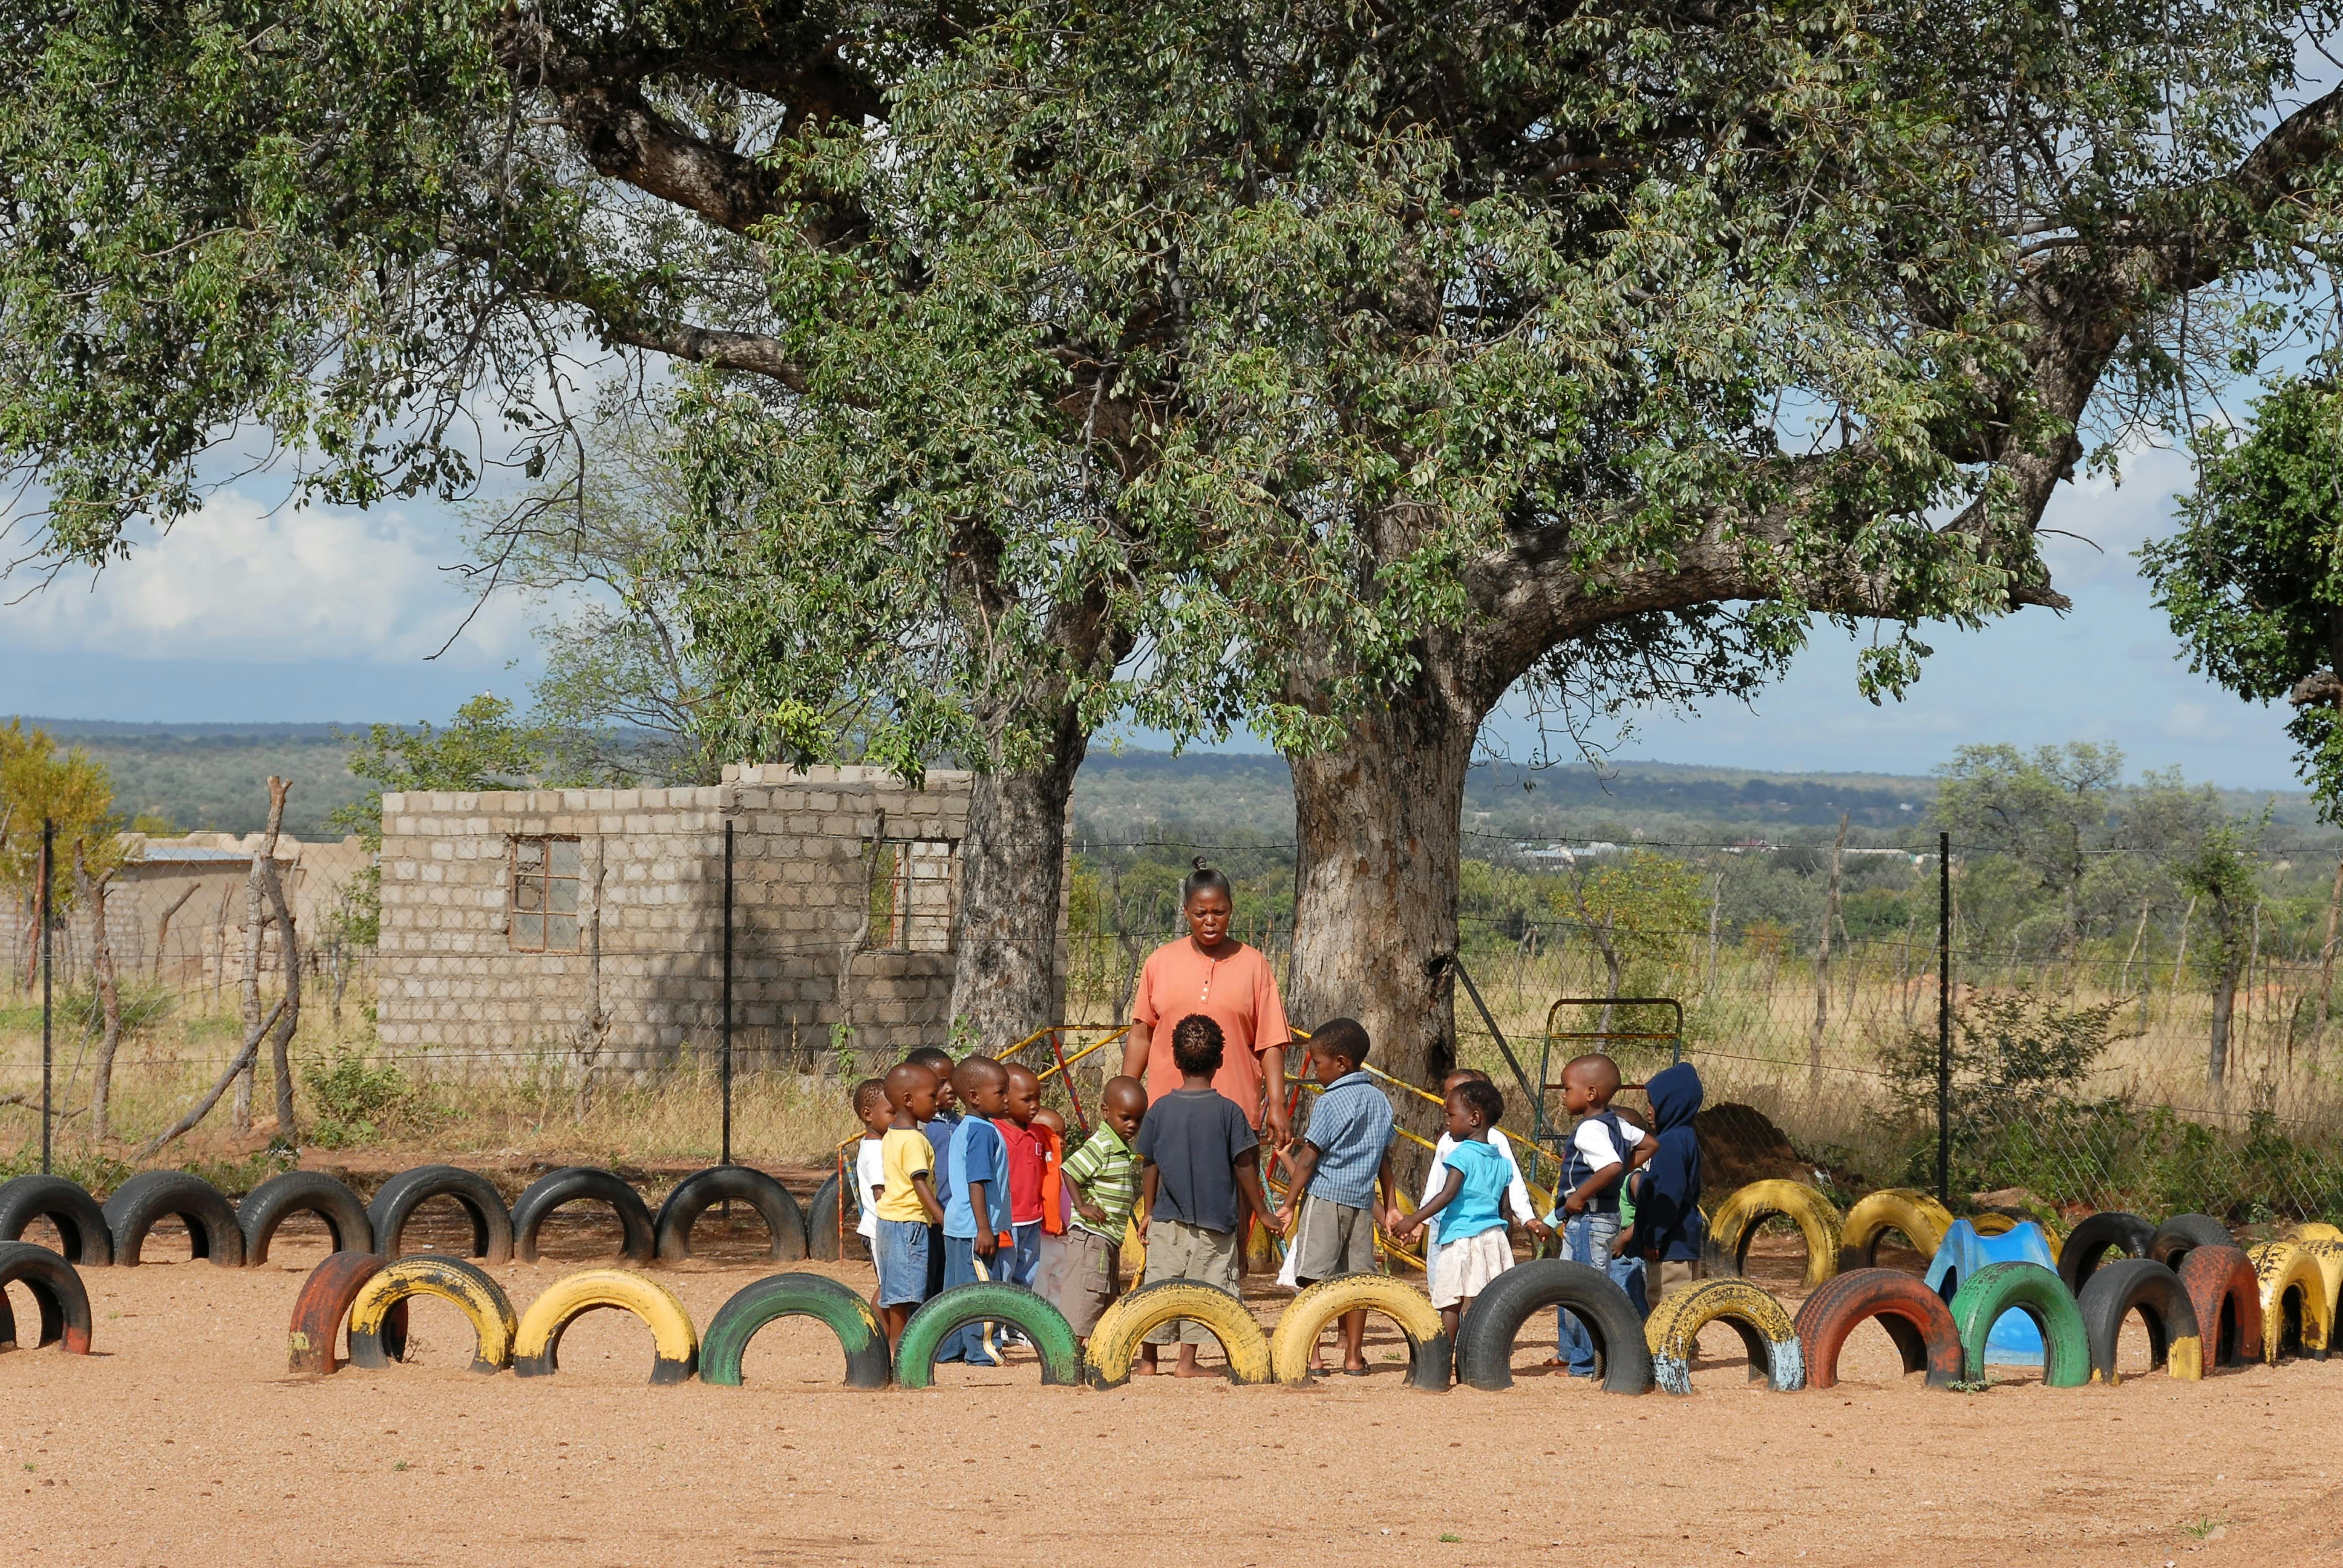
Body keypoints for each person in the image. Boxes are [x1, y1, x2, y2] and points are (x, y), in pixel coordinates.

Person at [1134, 1015, 1283, 1376]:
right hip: (1216, 1223)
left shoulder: (1159, 1110)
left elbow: (1150, 1164)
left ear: (1175, 1060)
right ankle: (1187, 1362)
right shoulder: (1230, 1113)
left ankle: (1149, 1362)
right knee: (1205, 1288)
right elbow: (1245, 1168)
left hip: (1167, 1220)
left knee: (1159, 1287)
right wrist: (1262, 1212)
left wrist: (1149, 1211)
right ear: (1221, 1061)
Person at [1120, 859, 1294, 1147]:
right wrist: (1124, 1094)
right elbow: (1141, 1036)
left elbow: (1271, 1043)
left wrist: (1277, 1103)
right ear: (1186, 911)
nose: (1210, 921)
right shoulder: (1159, 963)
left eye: (1219, 912)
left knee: (1234, 1179)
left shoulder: (1254, 965)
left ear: (1231, 910)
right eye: (1201, 913)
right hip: (1168, 1114)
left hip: (1235, 1115)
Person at [1275, 1018, 1397, 1376]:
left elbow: (1309, 1157)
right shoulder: (1380, 1100)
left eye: (1317, 1063)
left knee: (1313, 1276)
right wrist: (1390, 1207)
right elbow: (1384, 1159)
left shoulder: (1330, 1102)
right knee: (1358, 1280)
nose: (1315, 1071)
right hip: (1361, 1203)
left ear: (1341, 1063)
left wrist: (1289, 1203)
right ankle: (1354, 1357)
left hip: (1325, 1199)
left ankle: (1312, 1356)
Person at [1546, 1053, 1654, 1375]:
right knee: (1569, 1285)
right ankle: (1573, 1355)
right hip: (1597, 1220)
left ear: (1591, 1093)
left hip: (1589, 1221)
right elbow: (1650, 1145)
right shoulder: (1618, 1124)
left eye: (1567, 1089)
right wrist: (1615, 1178)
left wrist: (1582, 1194)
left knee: (1585, 1290)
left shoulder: (1589, 1130)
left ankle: (1587, 1364)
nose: (1564, 1096)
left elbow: (1612, 1166)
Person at [1391, 1079, 1517, 1341]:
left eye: (1451, 1115)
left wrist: (1414, 1219)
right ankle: (1478, 1354)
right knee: (1483, 1303)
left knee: (1451, 1302)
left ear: (1474, 1118)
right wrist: (1506, 1243)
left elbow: (1447, 1194)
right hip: (1493, 1238)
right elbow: (1505, 1209)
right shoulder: (1502, 1162)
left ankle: (1445, 1354)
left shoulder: (1462, 1155)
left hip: (1461, 1238)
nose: (1447, 1122)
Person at [1417, 1067, 1546, 1299]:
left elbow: (1512, 1182)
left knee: (1476, 1286)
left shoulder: (1495, 1140)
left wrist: (1527, 1217)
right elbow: (1436, 1183)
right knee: (1443, 1285)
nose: (1448, 1101)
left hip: (1476, 1228)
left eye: (1456, 1094)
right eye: (1447, 1094)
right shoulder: (1447, 1140)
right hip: (1444, 1225)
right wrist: (1422, 1220)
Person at [1044, 1076, 1148, 1350]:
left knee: (1103, 1298)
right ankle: (1067, 1355)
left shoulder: (1119, 1147)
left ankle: (1090, 1354)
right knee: (1085, 1297)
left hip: (1108, 1237)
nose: (1132, 1125)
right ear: (1105, 1112)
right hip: (1092, 1238)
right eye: (1126, 1118)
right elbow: (1069, 1171)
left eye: (1138, 1120)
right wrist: (1082, 1206)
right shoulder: (1102, 1145)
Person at [935, 1057, 1014, 1366]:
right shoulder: (982, 1132)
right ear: (975, 1097)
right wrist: (984, 1228)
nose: (1007, 1098)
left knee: (957, 1291)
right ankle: (985, 1352)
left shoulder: (967, 1128)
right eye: (1001, 1092)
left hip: (959, 1225)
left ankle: (949, 1349)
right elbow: (977, 1181)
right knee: (981, 1291)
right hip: (974, 1230)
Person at [873, 1061, 947, 1350]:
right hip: (909, 1223)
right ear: (908, 1100)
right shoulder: (915, 1140)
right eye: (932, 1095)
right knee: (906, 1291)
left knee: (894, 1289)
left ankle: (889, 1344)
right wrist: (943, 1219)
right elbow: (919, 1183)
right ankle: (899, 1349)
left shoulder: (892, 1134)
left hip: (890, 1221)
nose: (937, 1101)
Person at [1619, 1060, 1706, 1303]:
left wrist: (1654, 1237)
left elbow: (1668, 1194)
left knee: (1667, 1305)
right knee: (1686, 1305)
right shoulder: (1685, 1137)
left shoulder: (1669, 1144)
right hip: (1682, 1240)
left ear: (1673, 1105)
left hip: (1669, 1245)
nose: (1649, 1111)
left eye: (1654, 1104)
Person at [908, 1045, 962, 1299]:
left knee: (949, 1282)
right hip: (929, 1219)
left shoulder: (960, 1122)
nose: (951, 1089)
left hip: (956, 1217)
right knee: (925, 1284)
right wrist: (940, 1217)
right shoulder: (920, 1129)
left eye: (953, 1081)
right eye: (942, 1084)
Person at [993, 1063, 1047, 1292]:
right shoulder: (995, 1133)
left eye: (1038, 1098)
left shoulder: (1038, 1133)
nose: (1035, 1105)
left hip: (1033, 1220)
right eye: (1027, 1099)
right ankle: (1000, 1316)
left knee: (1026, 1278)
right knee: (1003, 1277)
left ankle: (1020, 1315)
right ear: (1006, 1098)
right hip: (1008, 1221)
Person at [850, 1077, 891, 1297]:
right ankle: (873, 1320)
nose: (898, 1118)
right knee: (889, 1287)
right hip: (881, 1229)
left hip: (885, 1227)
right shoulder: (875, 1150)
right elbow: (880, 1194)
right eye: (892, 1112)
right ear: (868, 1115)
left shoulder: (882, 1144)